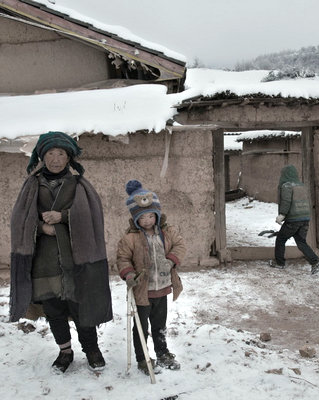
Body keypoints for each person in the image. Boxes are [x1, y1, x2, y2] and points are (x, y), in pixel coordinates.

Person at [9, 131, 113, 373]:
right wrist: (41, 226)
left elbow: (91, 216)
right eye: (51, 154)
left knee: (80, 306)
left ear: (69, 158)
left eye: (61, 154)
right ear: (42, 157)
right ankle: (65, 351)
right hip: (44, 261)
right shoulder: (32, 185)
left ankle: (91, 349)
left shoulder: (79, 185)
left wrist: (63, 217)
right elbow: (20, 219)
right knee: (53, 308)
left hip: (76, 258)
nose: (56, 159)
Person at [116, 180, 186, 375]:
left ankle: (162, 352)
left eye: (150, 216)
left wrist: (170, 260)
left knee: (159, 324)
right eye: (142, 217)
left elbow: (180, 246)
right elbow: (122, 258)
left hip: (162, 287)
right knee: (141, 326)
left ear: (156, 214)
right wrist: (129, 274)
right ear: (135, 218)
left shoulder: (167, 232)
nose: (147, 220)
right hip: (142, 290)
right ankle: (142, 357)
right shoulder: (130, 238)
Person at [269, 164, 319, 274]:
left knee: (280, 239)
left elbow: (286, 201)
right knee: (301, 241)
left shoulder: (287, 186)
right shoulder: (302, 186)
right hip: (305, 218)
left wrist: (282, 215)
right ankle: (315, 261)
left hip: (293, 219)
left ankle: (279, 263)